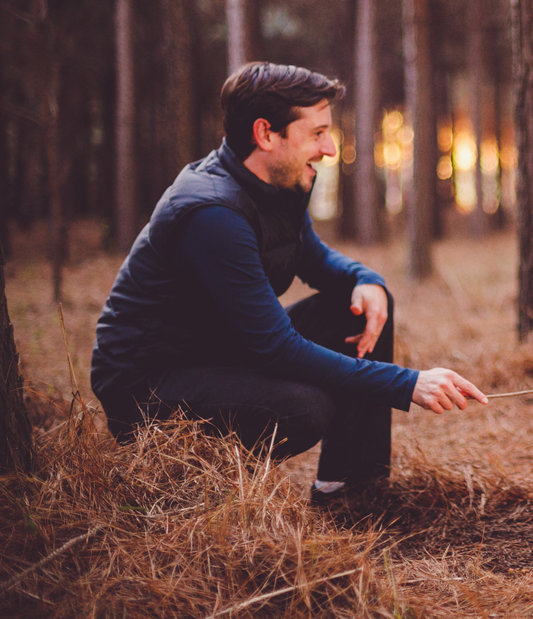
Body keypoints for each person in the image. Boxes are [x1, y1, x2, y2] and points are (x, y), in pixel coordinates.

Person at [91, 62, 487, 503]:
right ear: (266, 135)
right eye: (317, 133)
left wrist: (365, 279)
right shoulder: (213, 214)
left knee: (358, 305)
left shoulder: (278, 183)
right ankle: (192, 494)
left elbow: (316, 259)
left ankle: (353, 489)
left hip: (214, 351)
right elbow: (276, 349)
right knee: (303, 408)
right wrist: (407, 383)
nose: (330, 148)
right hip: (148, 385)